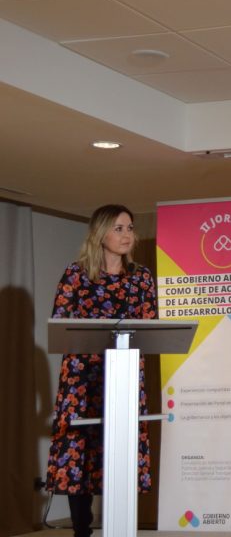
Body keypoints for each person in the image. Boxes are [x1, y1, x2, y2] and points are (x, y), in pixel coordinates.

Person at [45, 205, 156, 537]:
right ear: (100, 233)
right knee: (80, 450)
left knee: (118, 447)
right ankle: (82, 529)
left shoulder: (141, 276)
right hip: (81, 377)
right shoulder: (76, 274)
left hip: (122, 375)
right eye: (119, 228)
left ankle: (119, 524)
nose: (127, 235)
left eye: (130, 228)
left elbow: (149, 325)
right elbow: (60, 323)